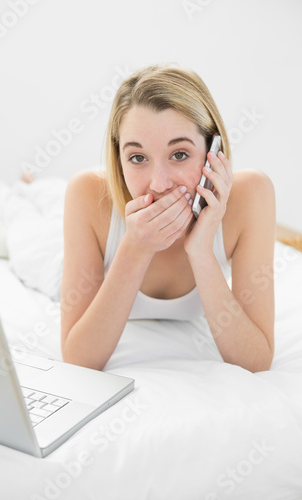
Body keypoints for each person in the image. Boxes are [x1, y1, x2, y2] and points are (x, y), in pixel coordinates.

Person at [60, 64, 275, 373]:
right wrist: (135, 248)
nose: (159, 184)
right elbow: (80, 360)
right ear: (118, 159)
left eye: (179, 154)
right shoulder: (86, 193)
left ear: (213, 151)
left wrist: (201, 251)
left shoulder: (252, 194)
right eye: (137, 158)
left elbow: (255, 361)